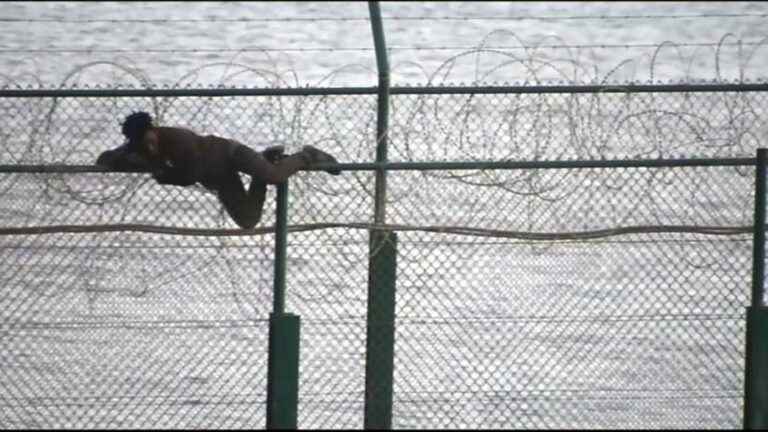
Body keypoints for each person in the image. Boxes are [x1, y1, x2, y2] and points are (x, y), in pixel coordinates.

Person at [96, 111, 341, 229]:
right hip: (219, 176)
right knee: (248, 221)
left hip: (230, 153)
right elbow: (108, 158)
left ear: (153, 129)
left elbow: (189, 177)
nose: (149, 146)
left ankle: (307, 155)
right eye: (142, 144)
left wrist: (161, 176)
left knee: (274, 176)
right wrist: (118, 157)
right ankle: (267, 158)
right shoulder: (139, 145)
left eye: (149, 140)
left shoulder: (178, 139)